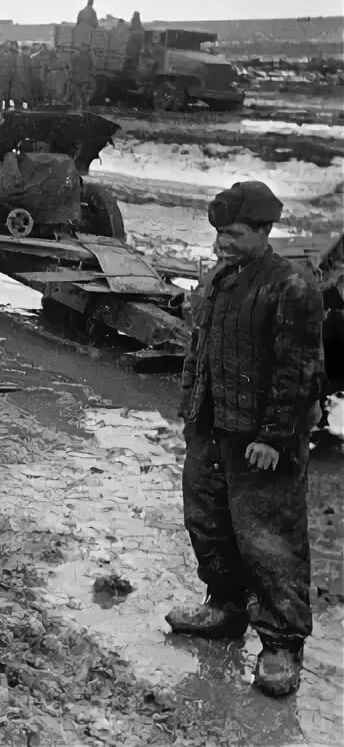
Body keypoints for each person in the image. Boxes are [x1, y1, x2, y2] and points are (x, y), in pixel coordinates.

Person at [168, 181, 325, 698]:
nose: (222, 244)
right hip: (212, 430)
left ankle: (281, 646)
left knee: (269, 541)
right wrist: (192, 411)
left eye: (234, 234)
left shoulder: (290, 286)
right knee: (209, 523)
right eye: (218, 234)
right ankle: (224, 607)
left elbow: (298, 372)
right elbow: (201, 348)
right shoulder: (220, 278)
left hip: (261, 443)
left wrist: (275, 437)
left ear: (263, 231)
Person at [66, 42, 95, 110]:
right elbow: (72, 67)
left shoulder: (88, 57)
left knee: (80, 92)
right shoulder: (77, 56)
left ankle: (82, 106)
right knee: (77, 92)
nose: (84, 49)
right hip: (78, 78)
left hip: (83, 78)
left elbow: (92, 67)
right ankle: (80, 106)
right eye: (83, 47)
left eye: (85, 47)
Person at [11, 43, 32, 110]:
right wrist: (25, 80)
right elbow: (21, 70)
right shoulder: (21, 57)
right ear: (25, 50)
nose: (29, 52)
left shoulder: (25, 57)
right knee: (19, 97)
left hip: (22, 81)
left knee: (22, 96)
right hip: (20, 81)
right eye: (28, 51)